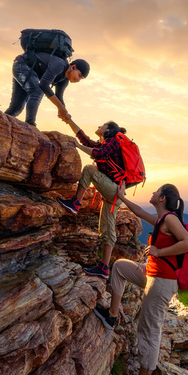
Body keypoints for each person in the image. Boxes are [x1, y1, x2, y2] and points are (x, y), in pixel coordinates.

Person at [94, 183, 188, 375]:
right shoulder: (161, 219)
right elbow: (138, 212)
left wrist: (159, 251)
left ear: (163, 198)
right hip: (151, 274)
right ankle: (111, 315)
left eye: (156, 191)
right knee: (119, 267)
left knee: (149, 331)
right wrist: (121, 197)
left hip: (162, 283)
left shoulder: (170, 220)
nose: (153, 193)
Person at [56, 118, 127, 280]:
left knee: (89, 169)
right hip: (115, 194)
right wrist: (69, 121)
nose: (98, 126)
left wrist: (78, 147)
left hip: (114, 191)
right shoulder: (106, 142)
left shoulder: (113, 142)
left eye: (101, 125)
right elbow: (85, 139)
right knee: (107, 230)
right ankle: (104, 268)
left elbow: (98, 153)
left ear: (108, 130)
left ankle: (75, 203)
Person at [4, 50, 89, 127]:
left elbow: (58, 97)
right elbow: (43, 85)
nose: (78, 79)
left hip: (29, 73)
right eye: (79, 75)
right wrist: (60, 107)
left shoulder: (64, 80)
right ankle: (30, 124)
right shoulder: (59, 65)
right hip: (22, 64)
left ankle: (0, 124)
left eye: (81, 78)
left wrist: (64, 112)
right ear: (73, 67)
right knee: (37, 91)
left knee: (16, 108)